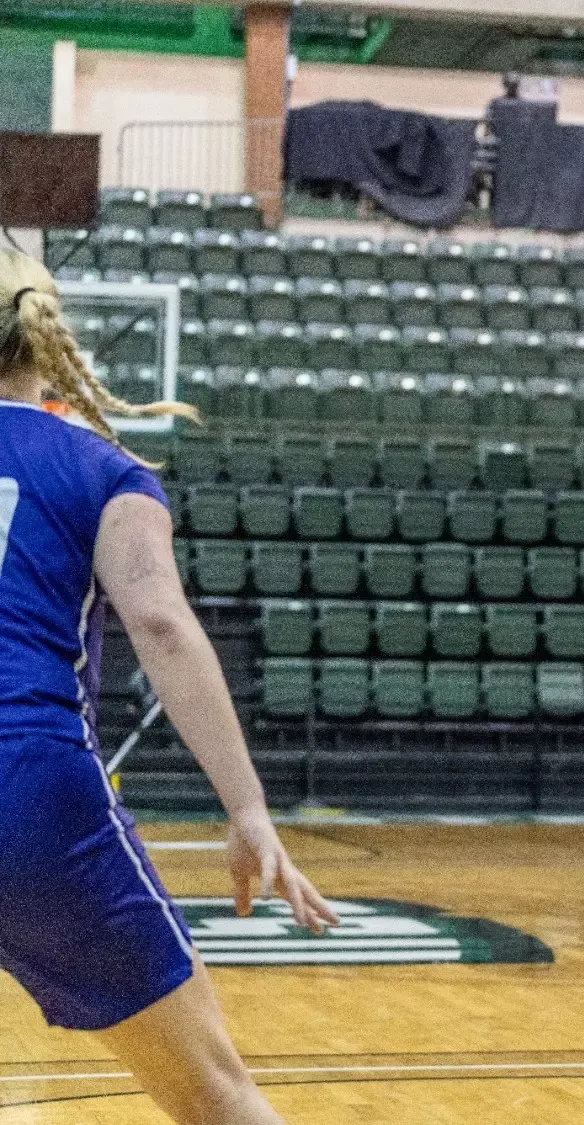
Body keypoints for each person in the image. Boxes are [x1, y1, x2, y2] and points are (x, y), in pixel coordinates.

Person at [0, 251, 338, 1125]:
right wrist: (249, 806)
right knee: (213, 1095)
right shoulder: (100, 467)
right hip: (25, 792)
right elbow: (160, 624)